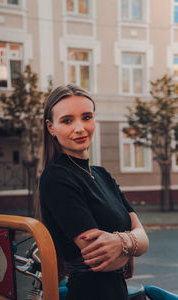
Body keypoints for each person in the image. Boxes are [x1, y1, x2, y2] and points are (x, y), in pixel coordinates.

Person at [39, 83, 149, 300]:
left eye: (86, 117)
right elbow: (101, 258)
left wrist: (120, 244)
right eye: (67, 120)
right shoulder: (56, 177)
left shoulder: (102, 174)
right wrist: (131, 245)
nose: (79, 128)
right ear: (51, 127)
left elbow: (144, 239)